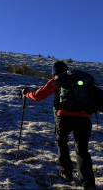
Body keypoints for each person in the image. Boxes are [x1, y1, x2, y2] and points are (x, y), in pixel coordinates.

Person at [20, 61, 96, 190]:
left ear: (54, 72)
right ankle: (89, 184)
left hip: (64, 116)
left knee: (62, 142)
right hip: (84, 118)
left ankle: (66, 172)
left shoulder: (58, 80)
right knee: (82, 150)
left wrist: (27, 93)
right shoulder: (82, 81)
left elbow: (38, 96)